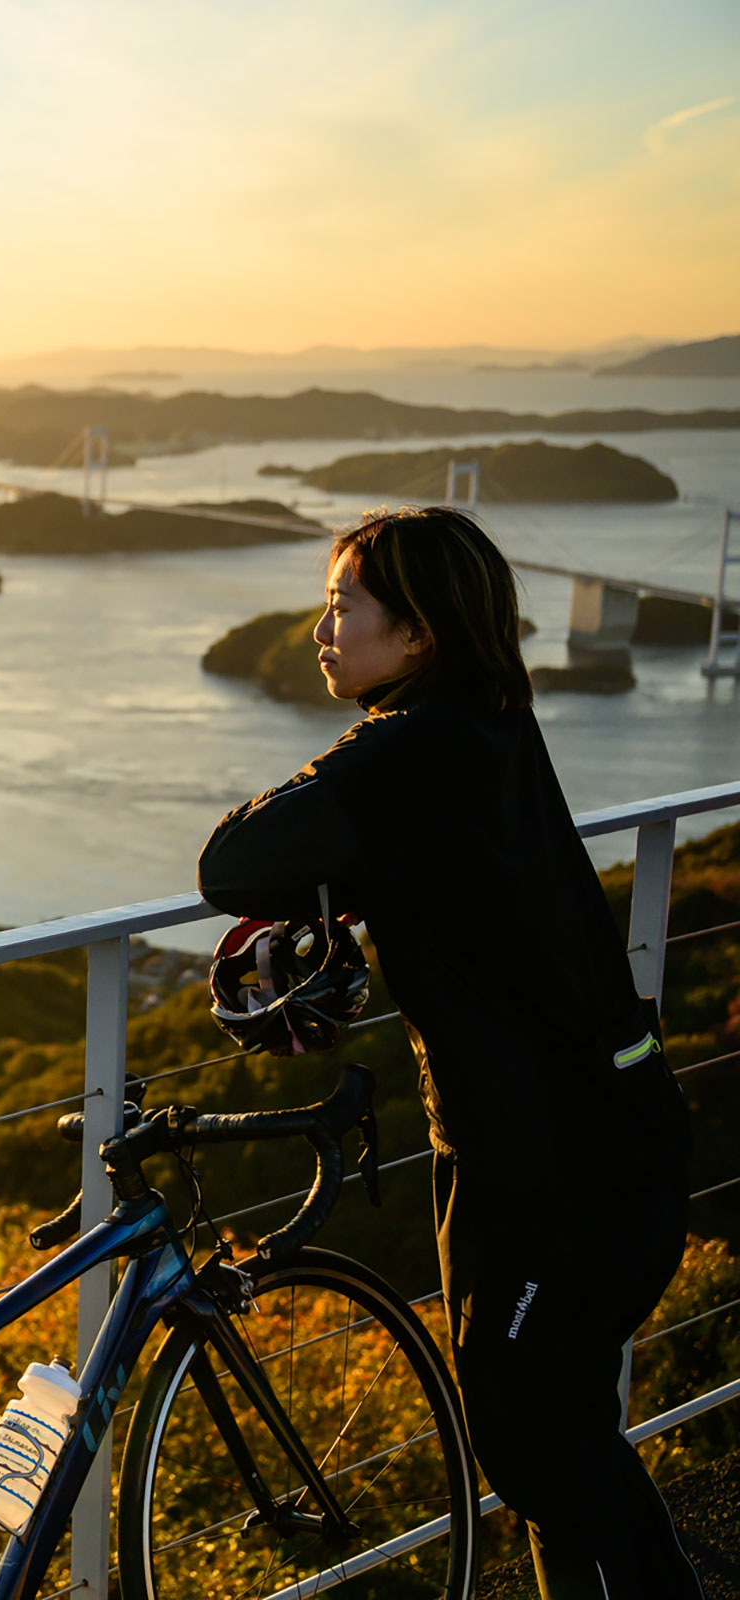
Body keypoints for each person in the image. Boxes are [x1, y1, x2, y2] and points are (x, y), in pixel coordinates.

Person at [195, 504, 701, 1599]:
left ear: (417, 634)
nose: (322, 626)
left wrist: (334, 833)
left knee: (535, 1447)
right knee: (560, 1438)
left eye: (344, 605)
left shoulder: (410, 747)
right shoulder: (487, 717)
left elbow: (230, 864)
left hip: (550, 1164)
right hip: (602, 1133)